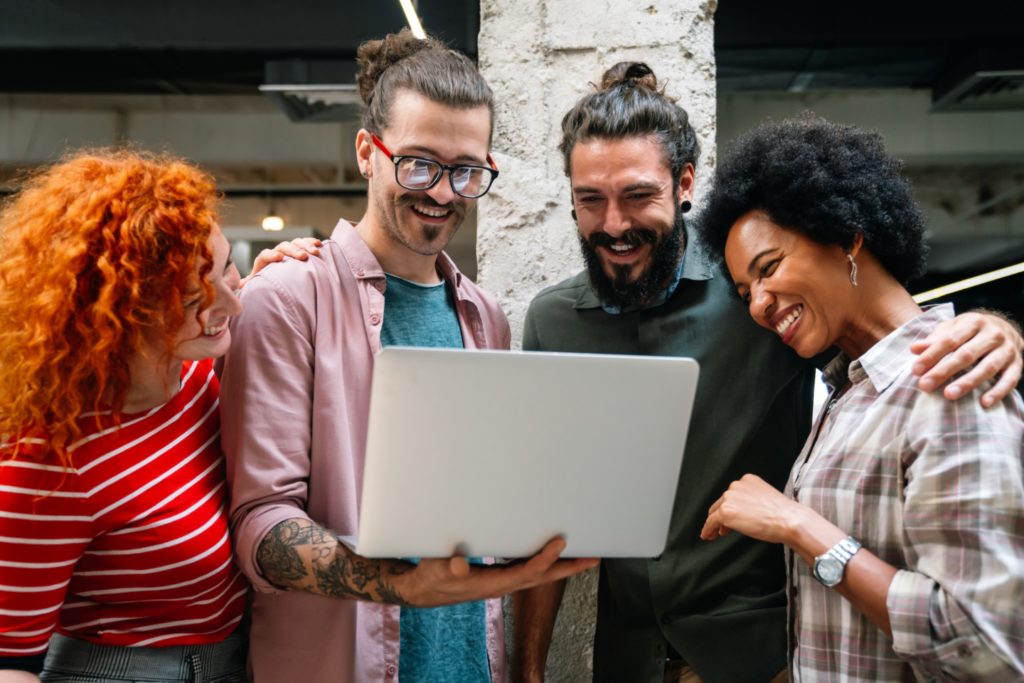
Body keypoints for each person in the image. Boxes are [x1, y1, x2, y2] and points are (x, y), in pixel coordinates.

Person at [512, 63, 1024, 683]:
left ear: (684, 184)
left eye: (638, 195)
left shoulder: (761, 306)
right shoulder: (552, 321)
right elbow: (547, 508)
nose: (614, 224)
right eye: (590, 200)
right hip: (628, 661)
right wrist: (528, 669)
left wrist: (998, 327)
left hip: (761, 662)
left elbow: (880, 334)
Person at [219, 29, 595, 683]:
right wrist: (394, 583)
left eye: (466, 171)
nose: (444, 193)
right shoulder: (286, 300)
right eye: (419, 164)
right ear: (367, 151)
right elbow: (262, 526)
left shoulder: (485, 316)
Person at [697, 116, 1024, 681]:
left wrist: (801, 527)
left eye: (769, 267)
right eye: (747, 291)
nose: (758, 305)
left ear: (847, 233)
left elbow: (986, 646)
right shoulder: (849, 391)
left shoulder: (950, 383)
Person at [0, 150, 249, 683]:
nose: (232, 303)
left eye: (228, 265)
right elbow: (9, 660)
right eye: (192, 299)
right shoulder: (50, 461)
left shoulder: (195, 367)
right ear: (119, 316)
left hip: (232, 658)